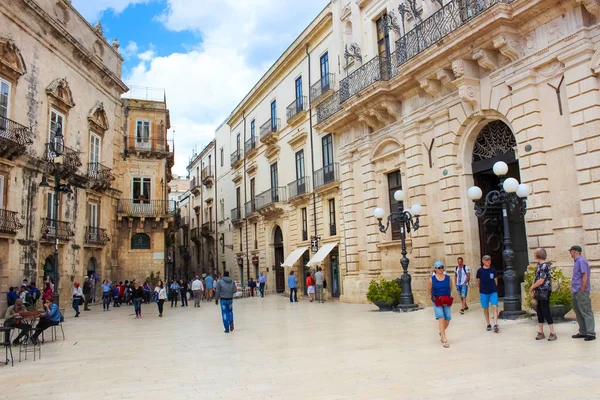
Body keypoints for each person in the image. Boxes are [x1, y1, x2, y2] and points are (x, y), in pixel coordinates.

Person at [529, 248, 557, 341]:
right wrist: (532, 288)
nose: (534, 254)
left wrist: (532, 287)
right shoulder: (538, 265)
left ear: (538, 255)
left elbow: (541, 280)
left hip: (544, 290)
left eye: (535, 253)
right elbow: (535, 277)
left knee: (545, 310)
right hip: (538, 290)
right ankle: (540, 331)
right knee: (539, 311)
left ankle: (552, 332)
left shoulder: (545, 265)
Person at [569, 245, 596, 341]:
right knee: (578, 311)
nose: (570, 253)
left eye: (570, 251)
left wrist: (583, 288)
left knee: (586, 311)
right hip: (575, 290)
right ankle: (583, 331)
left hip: (581, 291)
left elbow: (585, 275)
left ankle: (590, 333)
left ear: (574, 252)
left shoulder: (581, 261)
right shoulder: (577, 262)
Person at [429, 261, 453, 348]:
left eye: (442, 267)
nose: (441, 269)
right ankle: (444, 339)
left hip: (446, 299)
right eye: (439, 268)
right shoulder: (432, 279)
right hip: (437, 300)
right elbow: (429, 291)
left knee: (448, 318)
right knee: (441, 318)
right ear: (435, 269)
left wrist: (447, 296)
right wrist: (434, 298)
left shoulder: (448, 278)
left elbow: (450, 288)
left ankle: (441, 331)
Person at [476, 255, 499, 333]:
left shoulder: (493, 270)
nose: (488, 261)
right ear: (483, 261)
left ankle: (495, 324)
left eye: (489, 260)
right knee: (485, 308)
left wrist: (493, 287)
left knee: (494, 307)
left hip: (493, 291)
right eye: (486, 260)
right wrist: (481, 289)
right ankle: (488, 324)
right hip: (483, 292)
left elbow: (496, 281)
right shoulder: (480, 271)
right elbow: (478, 282)